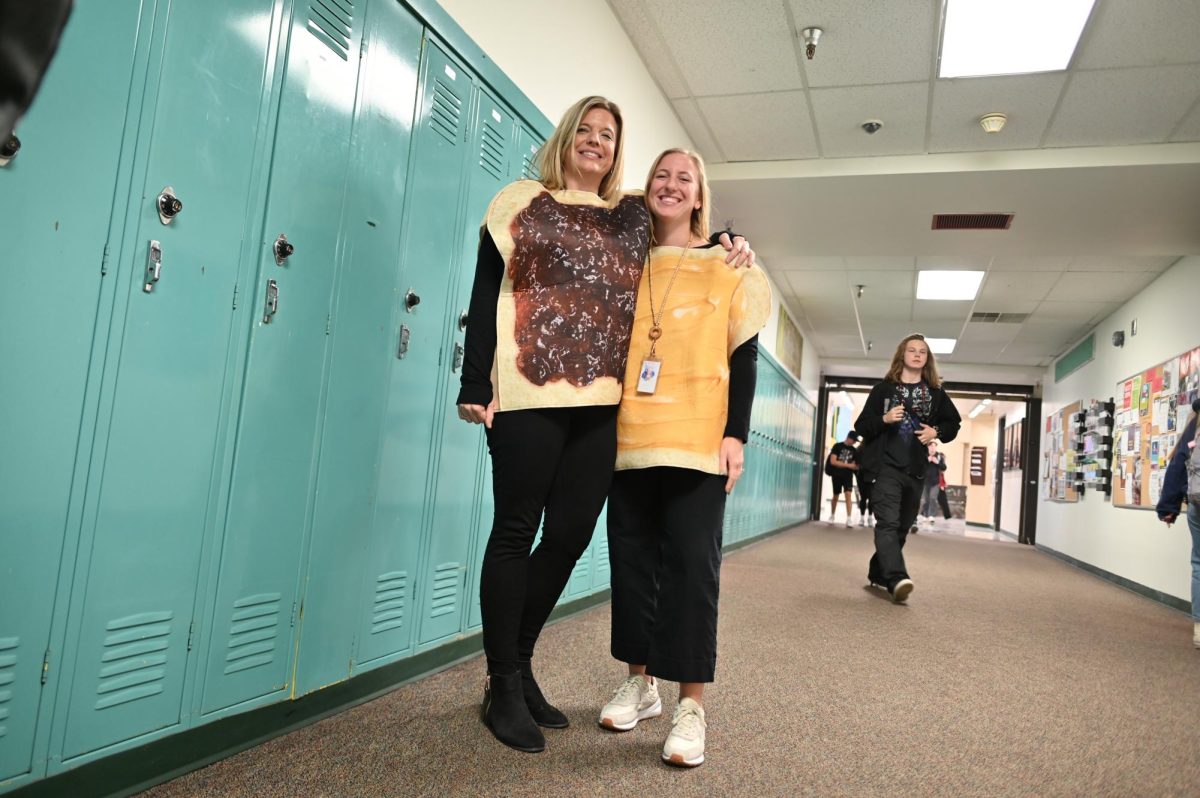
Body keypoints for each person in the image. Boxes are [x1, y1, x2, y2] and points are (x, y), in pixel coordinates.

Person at [455, 96, 752, 754]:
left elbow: (687, 227)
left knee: (566, 537)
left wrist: (731, 239)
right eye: (585, 131)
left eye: (608, 136)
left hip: (600, 407)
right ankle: (502, 682)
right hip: (527, 395)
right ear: (564, 140)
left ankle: (520, 661)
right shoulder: (522, 202)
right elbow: (486, 289)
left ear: (618, 153)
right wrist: (476, 381)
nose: (595, 142)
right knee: (515, 529)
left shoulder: (628, 219)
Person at [596, 148, 770, 767]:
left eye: (684, 179)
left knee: (693, 570)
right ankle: (641, 684)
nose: (670, 185)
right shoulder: (624, 260)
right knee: (634, 567)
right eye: (661, 176)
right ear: (647, 190)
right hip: (629, 440)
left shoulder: (729, 264)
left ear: (700, 196)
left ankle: (691, 704)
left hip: (698, 441)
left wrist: (737, 434)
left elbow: (743, 356)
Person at [854, 334, 961, 603]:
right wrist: (884, 418)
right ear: (902, 355)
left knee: (901, 528)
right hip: (885, 467)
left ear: (927, 359)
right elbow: (862, 426)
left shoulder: (935, 394)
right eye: (911, 350)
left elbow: (953, 424)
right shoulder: (883, 390)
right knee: (887, 523)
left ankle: (878, 572)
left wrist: (935, 431)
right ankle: (897, 578)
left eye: (922, 352)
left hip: (915, 470)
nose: (916, 354)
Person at [1156, 398, 1199, 648]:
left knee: (1199, 563)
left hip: (1198, 503)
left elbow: (1177, 468)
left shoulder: (1194, 427)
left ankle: (1199, 629)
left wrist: (1168, 508)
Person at [825, 431, 861, 526]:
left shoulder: (854, 450)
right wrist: (849, 465)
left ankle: (849, 518)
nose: (854, 443)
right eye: (854, 440)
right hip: (836, 475)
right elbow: (833, 461)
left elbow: (855, 466)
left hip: (848, 476)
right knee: (835, 495)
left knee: (848, 495)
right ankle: (832, 516)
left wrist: (845, 465)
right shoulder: (837, 446)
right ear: (849, 438)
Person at [919, 443, 947, 527]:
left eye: (934, 447)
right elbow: (919, 466)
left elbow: (944, 467)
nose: (932, 448)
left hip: (936, 482)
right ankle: (925, 515)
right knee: (925, 500)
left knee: (933, 498)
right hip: (925, 482)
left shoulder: (939, 456)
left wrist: (937, 462)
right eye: (931, 446)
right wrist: (927, 460)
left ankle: (931, 516)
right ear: (928, 447)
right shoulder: (924, 455)